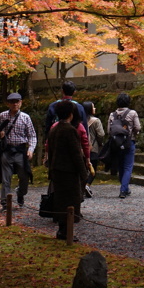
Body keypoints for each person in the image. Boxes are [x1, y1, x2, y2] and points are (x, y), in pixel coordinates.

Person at [47, 100, 88, 241]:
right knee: (71, 202)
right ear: (71, 114)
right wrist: (84, 173)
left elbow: (50, 151)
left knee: (60, 201)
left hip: (56, 170)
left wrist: (50, 171)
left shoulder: (54, 129)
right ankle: (67, 232)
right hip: (69, 172)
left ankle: (62, 230)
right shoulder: (70, 130)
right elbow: (76, 154)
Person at [0, 92, 36, 209]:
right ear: (8, 103)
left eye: (17, 101)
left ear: (21, 102)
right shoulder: (3, 116)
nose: (15, 104)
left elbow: (32, 135)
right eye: (12, 102)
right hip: (7, 150)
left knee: (24, 177)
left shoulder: (25, 117)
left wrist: (31, 149)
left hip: (20, 151)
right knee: (5, 178)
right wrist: (0, 135)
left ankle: (21, 193)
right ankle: (5, 202)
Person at [108, 92, 141, 199]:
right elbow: (138, 127)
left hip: (116, 144)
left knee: (121, 166)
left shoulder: (112, 115)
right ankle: (123, 190)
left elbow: (109, 130)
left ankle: (125, 188)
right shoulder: (132, 113)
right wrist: (134, 133)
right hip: (129, 142)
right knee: (128, 167)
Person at [82, 101, 104, 198]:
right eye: (93, 107)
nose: (95, 109)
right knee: (92, 169)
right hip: (92, 148)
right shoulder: (96, 121)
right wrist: (100, 142)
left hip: (81, 149)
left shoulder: (79, 121)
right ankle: (87, 185)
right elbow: (101, 134)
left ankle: (82, 187)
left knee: (82, 169)